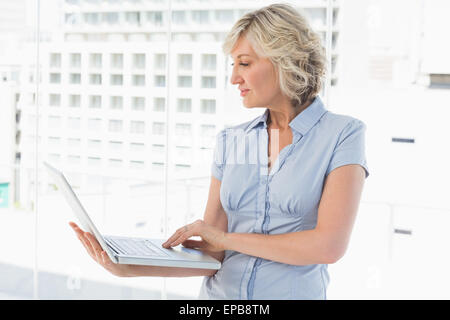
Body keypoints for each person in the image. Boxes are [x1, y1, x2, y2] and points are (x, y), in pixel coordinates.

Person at [70, 3, 369, 299]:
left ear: (284, 61)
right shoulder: (233, 141)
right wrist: (127, 267)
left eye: (245, 63)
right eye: (233, 65)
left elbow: (328, 246)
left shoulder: (343, 135)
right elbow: (214, 254)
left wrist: (227, 239)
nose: (234, 78)